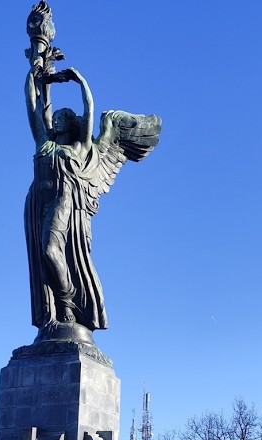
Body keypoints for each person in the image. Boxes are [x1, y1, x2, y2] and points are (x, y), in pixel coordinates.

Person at [22, 35, 161, 342]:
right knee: (43, 261)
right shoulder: (45, 145)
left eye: (61, 117)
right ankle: (54, 315)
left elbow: (90, 108)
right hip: (38, 203)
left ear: (71, 123)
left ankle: (68, 304)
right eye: (56, 117)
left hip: (66, 203)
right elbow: (34, 106)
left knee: (51, 251)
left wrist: (80, 81)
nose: (56, 119)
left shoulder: (82, 149)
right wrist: (36, 71)